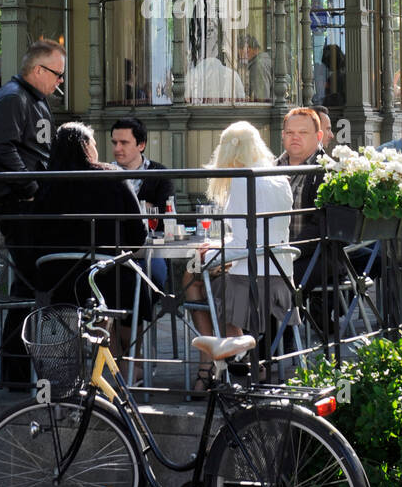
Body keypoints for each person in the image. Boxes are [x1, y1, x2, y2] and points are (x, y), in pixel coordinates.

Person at [187, 121, 295, 394]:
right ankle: (241, 358)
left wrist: (210, 252)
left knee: (193, 278)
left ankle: (212, 364)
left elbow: (241, 244)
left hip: (249, 284)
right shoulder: (280, 177)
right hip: (281, 279)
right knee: (213, 278)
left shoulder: (241, 179)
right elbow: (258, 236)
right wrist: (220, 249)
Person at [28, 122, 148, 357]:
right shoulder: (111, 177)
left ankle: (69, 373)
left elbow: (33, 235)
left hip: (57, 282)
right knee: (128, 286)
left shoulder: (45, 183)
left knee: (88, 296)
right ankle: (120, 371)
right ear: (85, 146)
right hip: (106, 279)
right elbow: (138, 237)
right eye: (93, 143)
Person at [0, 39, 65, 383]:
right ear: (38, 70)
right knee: (31, 285)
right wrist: (33, 190)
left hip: (32, 205)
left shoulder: (33, 100)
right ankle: (15, 371)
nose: (59, 82)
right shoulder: (12, 99)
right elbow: (1, 149)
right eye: (57, 75)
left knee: (31, 285)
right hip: (19, 206)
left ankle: (18, 371)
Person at [110, 115, 172, 291]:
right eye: (114, 143)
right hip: (114, 249)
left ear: (141, 145)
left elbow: (163, 214)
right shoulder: (104, 173)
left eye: (124, 143)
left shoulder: (159, 173)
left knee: (155, 280)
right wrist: (144, 206)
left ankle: (141, 317)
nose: (117, 148)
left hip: (150, 249)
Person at [275, 107, 325, 288]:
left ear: (318, 136)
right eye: (290, 132)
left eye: (303, 132)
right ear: (282, 135)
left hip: (311, 257)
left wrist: (288, 252)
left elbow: (320, 227)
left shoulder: (327, 171)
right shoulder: (269, 169)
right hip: (269, 255)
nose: (295, 137)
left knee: (266, 283)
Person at [238, 35, 272, 101]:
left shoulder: (258, 66)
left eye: (245, 51)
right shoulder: (264, 62)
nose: (241, 56)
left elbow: (261, 98)